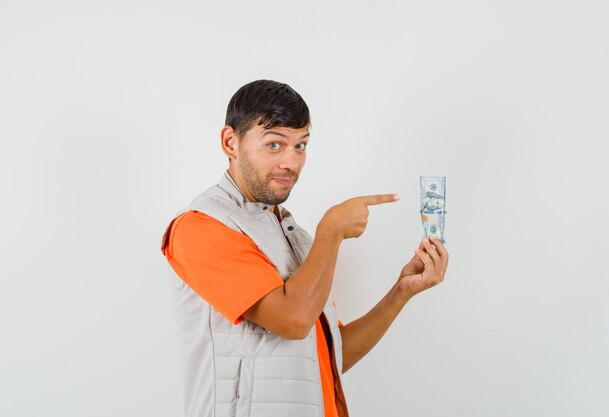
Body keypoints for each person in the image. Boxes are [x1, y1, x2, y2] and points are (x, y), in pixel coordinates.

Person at [160, 79, 449, 417]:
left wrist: (402, 290)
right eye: (274, 145)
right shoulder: (202, 227)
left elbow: (333, 354)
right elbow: (293, 321)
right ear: (230, 142)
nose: (291, 163)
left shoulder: (292, 234)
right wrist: (332, 230)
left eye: (301, 146)